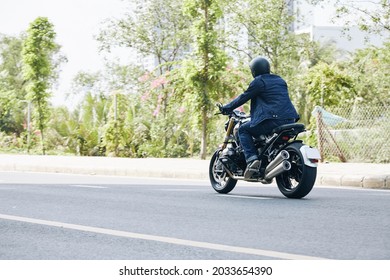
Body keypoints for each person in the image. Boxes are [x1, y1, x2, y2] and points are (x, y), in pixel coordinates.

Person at [220, 56, 299, 179]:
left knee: (243, 130)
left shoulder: (259, 81)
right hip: (290, 118)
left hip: (272, 120)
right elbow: (275, 101)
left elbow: (243, 97)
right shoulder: (280, 80)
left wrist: (227, 108)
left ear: (254, 71)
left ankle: (252, 160)